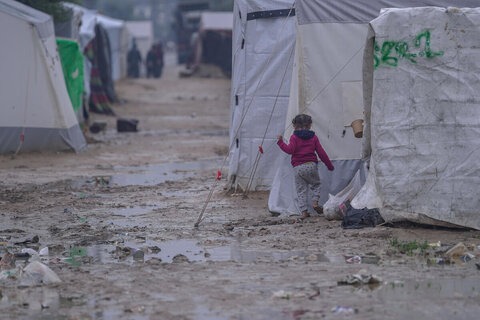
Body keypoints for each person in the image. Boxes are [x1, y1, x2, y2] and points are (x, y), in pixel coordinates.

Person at [277, 114, 334, 218]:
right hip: (311, 165)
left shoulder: (294, 137)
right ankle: (315, 203)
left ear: (294, 126)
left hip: (298, 167)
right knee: (316, 185)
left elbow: (289, 150)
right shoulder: (314, 137)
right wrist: (329, 165)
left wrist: (280, 142)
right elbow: (321, 152)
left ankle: (303, 212)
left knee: (301, 190)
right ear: (310, 126)